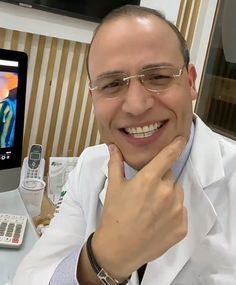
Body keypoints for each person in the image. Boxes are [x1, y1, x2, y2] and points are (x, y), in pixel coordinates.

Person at [13, 5, 236, 285]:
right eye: (112, 84)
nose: (136, 105)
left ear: (191, 82)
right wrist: (103, 261)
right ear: (93, 97)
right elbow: (28, 278)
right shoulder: (90, 166)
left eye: (158, 77)